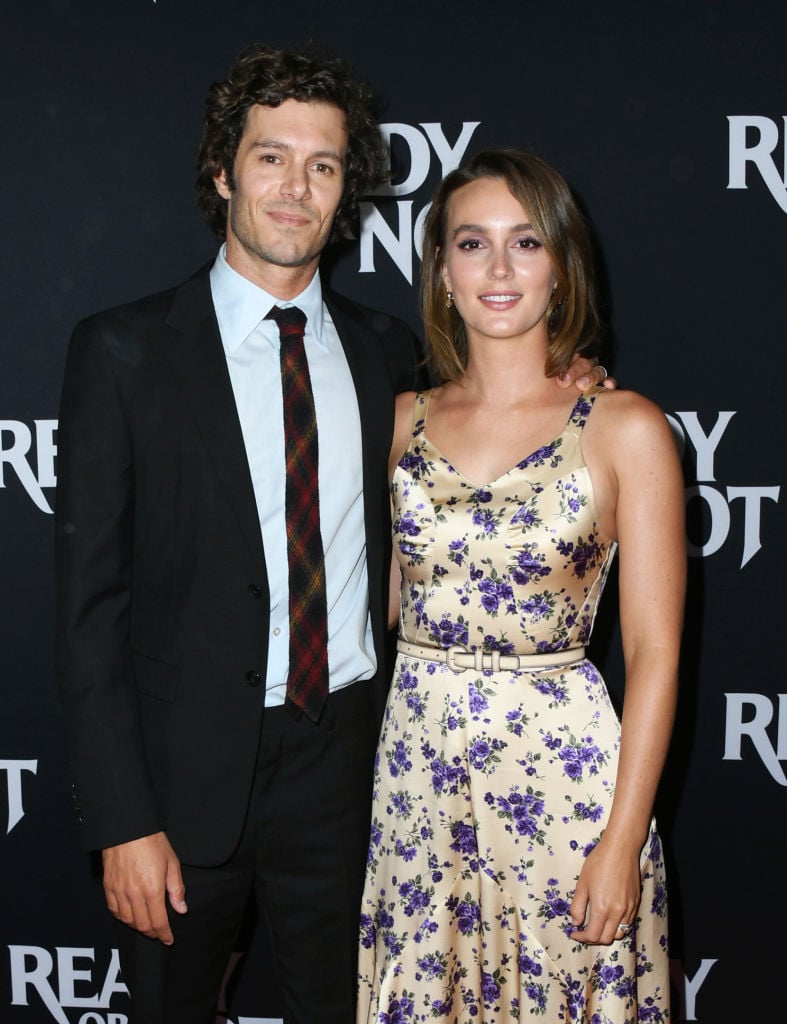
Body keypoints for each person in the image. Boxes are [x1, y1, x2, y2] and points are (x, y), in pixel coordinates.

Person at [55, 44, 609, 1023]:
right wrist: (123, 820)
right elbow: (88, 610)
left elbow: (496, 416)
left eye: (322, 164)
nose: (294, 186)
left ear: (346, 190)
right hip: (181, 787)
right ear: (224, 171)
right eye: (271, 157)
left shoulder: (383, 350)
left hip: (353, 770)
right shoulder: (123, 353)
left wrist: (578, 381)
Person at [357, 149, 684, 1024]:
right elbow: (375, 605)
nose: (498, 269)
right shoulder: (394, 423)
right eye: (472, 243)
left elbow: (653, 655)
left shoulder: (623, 427)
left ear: (561, 266)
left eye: (526, 243)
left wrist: (621, 840)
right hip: (418, 780)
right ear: (440, 268)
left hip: (564, 783)